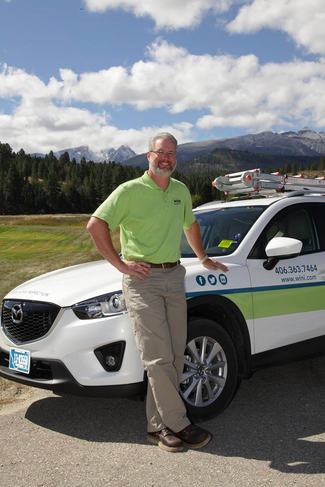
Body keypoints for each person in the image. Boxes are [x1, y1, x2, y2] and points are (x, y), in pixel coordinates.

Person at [87, 132, 228, 452]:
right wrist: (121, 265)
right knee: (157, 356)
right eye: (160, 152)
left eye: (172, 153)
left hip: (174, 276)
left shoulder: (179, 190)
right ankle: (179, 423)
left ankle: (156, 426)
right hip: (143, 280)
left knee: (175, 354)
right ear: (148, 155)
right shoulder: (129, 191)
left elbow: (189, 224)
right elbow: (96, 225)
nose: (166, 158)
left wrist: (203, 257)